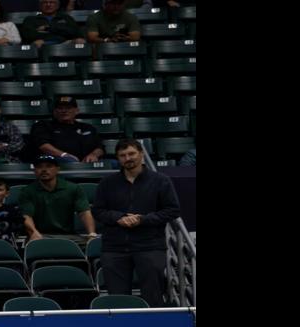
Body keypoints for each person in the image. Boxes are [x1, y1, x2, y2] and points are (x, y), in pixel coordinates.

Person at [92, 138, 182, 301]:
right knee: (118, 298)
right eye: (122, 155)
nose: (128, 158)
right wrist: (118, 218)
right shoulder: (107, 183)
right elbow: (97, 211)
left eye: (131, 153)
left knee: (153, 296)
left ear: (141, 154)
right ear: (118, 158)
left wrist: (143, 219)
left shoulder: (161, 180)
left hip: (150, 246)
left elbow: (172, 210)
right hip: (114, 247)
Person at [18, 154, 96, 239]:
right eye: (39, 167)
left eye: (49, 166)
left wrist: (91, 233)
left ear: (57, 169)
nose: (44, 170)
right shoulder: (27, 191)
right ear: (35, 171)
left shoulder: (73, 188)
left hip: (68, 235)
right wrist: (34, 233)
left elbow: (84, 212)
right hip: (40, 235)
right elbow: (27, 216)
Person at [26, 95, 104, 164]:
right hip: (56, 163)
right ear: (54, 112)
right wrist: (64, 155)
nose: (64, 111)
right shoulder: (43, 125)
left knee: (108, 163)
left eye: (68, 108)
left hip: (86, 163)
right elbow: (43, 145)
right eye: (60, 108)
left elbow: (100, 148)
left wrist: (93, 155)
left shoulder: (88, 128)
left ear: (76, 111)